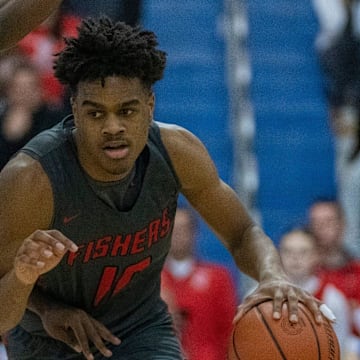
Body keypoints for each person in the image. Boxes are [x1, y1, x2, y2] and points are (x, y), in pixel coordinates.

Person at [0, 17, 332, 360]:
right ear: (74, 110)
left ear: (150, 106)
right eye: (96, 114)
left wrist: (272, 275)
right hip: (49, 341)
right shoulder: (32, 178)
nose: (113, 127)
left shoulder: (177, 151)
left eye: (126, 111)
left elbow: (242, 232)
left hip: (140, 331)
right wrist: (34, 292)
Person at [161, 206, 237, 360]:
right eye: (173, 229)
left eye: (183, 229)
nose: (178, 235)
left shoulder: (218, 278)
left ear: (194, 232)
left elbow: (229, 331)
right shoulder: (151, 279)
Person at [279, 227, 356, 358]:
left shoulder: (333, 299)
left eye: (303, 252)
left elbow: (340, 348)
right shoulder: (259, 296)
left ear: (316, 255)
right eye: (288, 251)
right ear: (278, 255)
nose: (295, 258)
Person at [308, 199, 360, 350]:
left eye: (328, 221)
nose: (321, 228)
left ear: (342, 225)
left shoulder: (357, 272)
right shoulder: (301, 275)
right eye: (315, 222)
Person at [0, 58, 65, 170]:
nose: (25, 95)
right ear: (9, 92)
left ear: (40, 89)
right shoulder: (3, 118)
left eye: (30, 88)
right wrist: (10, 137)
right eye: (19, 89)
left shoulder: (55, 118)